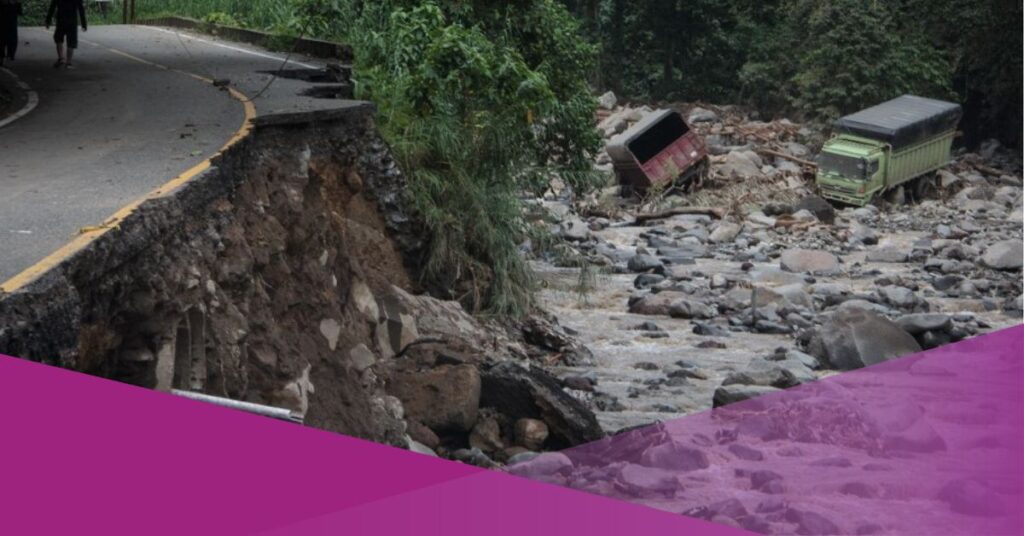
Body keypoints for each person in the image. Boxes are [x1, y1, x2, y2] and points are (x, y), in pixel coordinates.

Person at [46, 0, 87, 69]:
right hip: (72, 20)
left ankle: (61, 58)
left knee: (58, 38)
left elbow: (52, 6)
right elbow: (81, 8)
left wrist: (48, 20)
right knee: (71, 41)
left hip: (61, 19)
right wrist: (83, 24)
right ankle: (68, 62)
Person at [0, 0, 21, 67]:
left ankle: (8, 57)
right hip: (5, 22)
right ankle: (4, 57)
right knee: (3, 40)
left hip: (10, 23)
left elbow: (19, 11)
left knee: (11, 40)